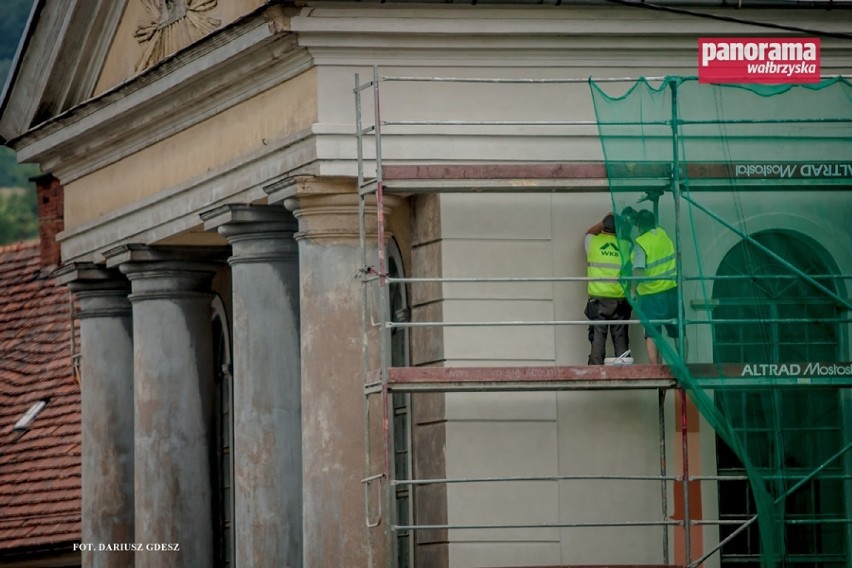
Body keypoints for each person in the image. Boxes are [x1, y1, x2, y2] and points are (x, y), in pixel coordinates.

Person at [631, 209, 678, 364]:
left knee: (652, 332)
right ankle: (683, 363)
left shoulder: (641, 243)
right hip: (672, 290)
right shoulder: (663, 234)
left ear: (638, 225)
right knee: (678, 330)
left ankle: (655, 368)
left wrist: (632, 291)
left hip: (652, 295)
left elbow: (638, 270)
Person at [584, 213, 632, 365]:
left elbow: (588, 233)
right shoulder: (626, 245)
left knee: (598, 333)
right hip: (619, 297)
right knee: (620, 334)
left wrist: (604, 219)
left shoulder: (592, 241)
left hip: (598, 298)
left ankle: (596, 365)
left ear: (603, 227)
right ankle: (623, 365)